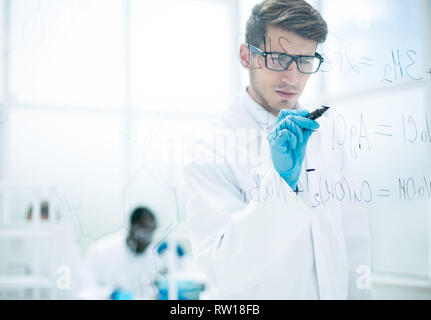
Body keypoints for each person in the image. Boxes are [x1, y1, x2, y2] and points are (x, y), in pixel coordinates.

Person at [183, 0, 372, 299]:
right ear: (246, 55)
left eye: (305, 60)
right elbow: (224, 270)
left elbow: (354, 243)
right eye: (278, 58)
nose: (292, 78)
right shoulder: (211, 150)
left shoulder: (327, 137)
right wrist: (280, 185)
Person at [81, 206, 164, 299]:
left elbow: (151, 291)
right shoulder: (101, 250)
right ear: (133, 228)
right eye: (145, 233)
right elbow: (85, 289)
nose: (148, 240)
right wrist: (110, 294)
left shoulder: (151, 257)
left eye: (151, 233)